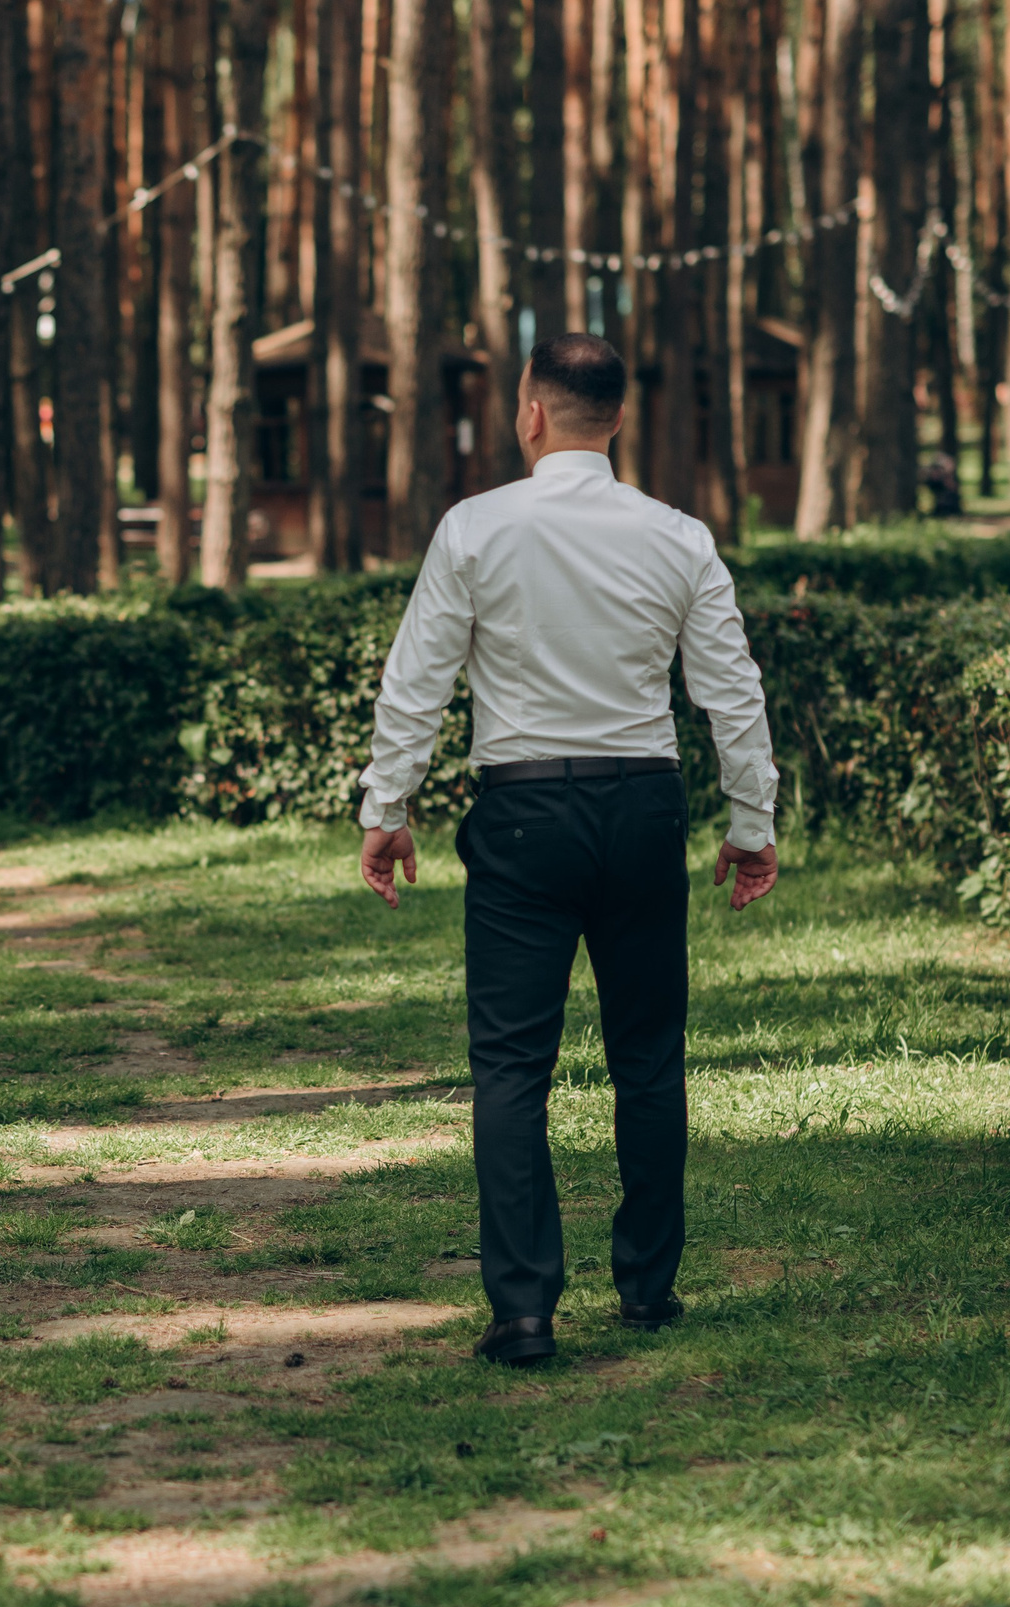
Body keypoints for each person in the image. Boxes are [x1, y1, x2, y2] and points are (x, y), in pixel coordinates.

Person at [356, 335, 779, 1366]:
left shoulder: (474, 527)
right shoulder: (678, 536)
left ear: (531, 413)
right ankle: (646, 1285)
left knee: (509, 1065)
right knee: (647, 1054)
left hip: (522, 813)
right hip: (639, 808)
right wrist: (749, 821)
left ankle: (525, 1308)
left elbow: (419, 678)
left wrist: (387, 803)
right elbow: (730, 687)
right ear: (617, 419)